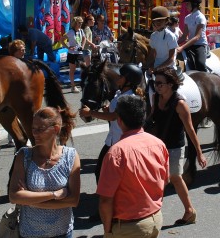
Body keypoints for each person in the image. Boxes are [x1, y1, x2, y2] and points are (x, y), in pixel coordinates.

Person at [97, 95, 168, 238]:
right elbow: (164, 181)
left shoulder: (116, 153)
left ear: (120, 121)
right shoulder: (158, 144)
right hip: (155, 218)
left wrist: (108, 231)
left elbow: (105, 200)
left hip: (128, 227)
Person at [80, 64, 144, 221]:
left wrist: (91, 113)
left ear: (128, 81)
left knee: (105, 174)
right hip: (111, 140)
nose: (118, 78)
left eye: (121, 77)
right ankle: (108, 205)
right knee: (100, 172)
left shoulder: (128, 97)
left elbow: (114, 117)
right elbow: (112, 112)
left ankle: (110, 207)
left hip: (119, 143)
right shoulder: (119, 93)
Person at [8, 107, 80, 238]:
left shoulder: (71, 156)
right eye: (33, 128)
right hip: (30, 234)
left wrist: (30, 200)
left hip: (63, 234)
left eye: (40, 129)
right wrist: (55, 194)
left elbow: (73, 200)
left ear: (56, 129)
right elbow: (14, 197)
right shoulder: (24, 156)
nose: (35, 133)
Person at [150, 67, 207, 225]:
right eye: (155, 83)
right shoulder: (155, 97)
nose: (157, 86)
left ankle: (188, 211)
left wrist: (199, 153)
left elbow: (190, 130)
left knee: (174, 178)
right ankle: (153, 213)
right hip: (159, 145)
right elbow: (152, 120)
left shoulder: (180, 104)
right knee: (160, 179)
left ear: (170, 84)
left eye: (160, 83)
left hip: (175, 146)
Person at [177, 0, 208, 72]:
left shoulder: (200, 17)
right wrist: (174, 43)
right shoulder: (187, 18)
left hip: (199, 45)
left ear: (194, 4)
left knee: (200, 64)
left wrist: (182, 47)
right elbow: (184, 36)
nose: (186, 6)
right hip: (190, 44)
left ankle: (206, 76)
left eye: (187, 3)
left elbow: (197, 37)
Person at [147, 6, 179, 73]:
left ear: (166, 21)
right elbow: (152, 55)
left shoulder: (171, 36)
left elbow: (171, 59)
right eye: (156, 20)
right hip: (156, 68)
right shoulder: (153, 36)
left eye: (160, 20)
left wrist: (156, 69)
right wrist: (147, 66)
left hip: (169, 69)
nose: (158, 22)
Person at [61, 16, 86, 93]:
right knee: (72, 70)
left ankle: (83, 84)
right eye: (79, 23)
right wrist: (68, 47)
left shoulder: (81, 31)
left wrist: (82, 46)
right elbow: (61, 40)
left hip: (80, 53)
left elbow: (84, 38)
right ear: (75, 23)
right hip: (72, 53)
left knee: (84, 68)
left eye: (81, 23)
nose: (80, 24)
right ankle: (73, 86)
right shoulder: (71, 32)